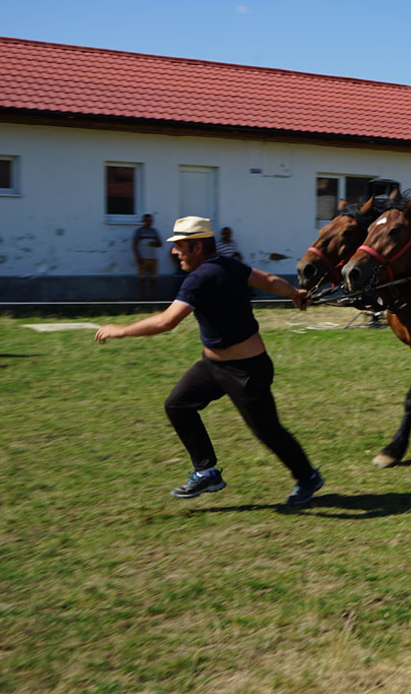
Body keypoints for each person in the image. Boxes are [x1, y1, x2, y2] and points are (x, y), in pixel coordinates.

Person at [95, 216, 323, 506]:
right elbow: (266, 280)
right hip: (213, 366)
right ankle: (206, 472)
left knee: (267, 431)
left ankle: (308, 477)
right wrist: (293, 293)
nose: (174, 252)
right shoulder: (229, 265)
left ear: (198, 247)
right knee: (177, 405)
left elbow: (167, 322)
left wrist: (121, 330)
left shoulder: (200, 278)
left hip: (246, 371)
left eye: (180, 247)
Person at [133, 213, 162, 297]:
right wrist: (138, 257)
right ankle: (142, 300)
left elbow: (160, 244)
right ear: (144, 221)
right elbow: (134, 245)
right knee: (142, 280)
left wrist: (155, 243)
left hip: (153, 258)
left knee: (154, 280)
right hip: (143, 258)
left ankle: (153, 299)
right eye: (147, 220)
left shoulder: (154, 231)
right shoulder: (139, 231)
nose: (149, 222)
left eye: (151, 220)